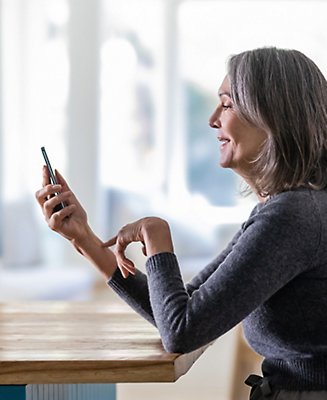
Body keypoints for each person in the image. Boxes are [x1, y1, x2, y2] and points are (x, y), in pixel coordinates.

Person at [36, 47, 327, 399]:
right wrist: (84, 239)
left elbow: (182, 331)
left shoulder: (292, 216)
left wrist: (157, 235)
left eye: (227, 103)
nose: (212, 119)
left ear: (272, 116)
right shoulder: (294, 208)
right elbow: (181, 308)